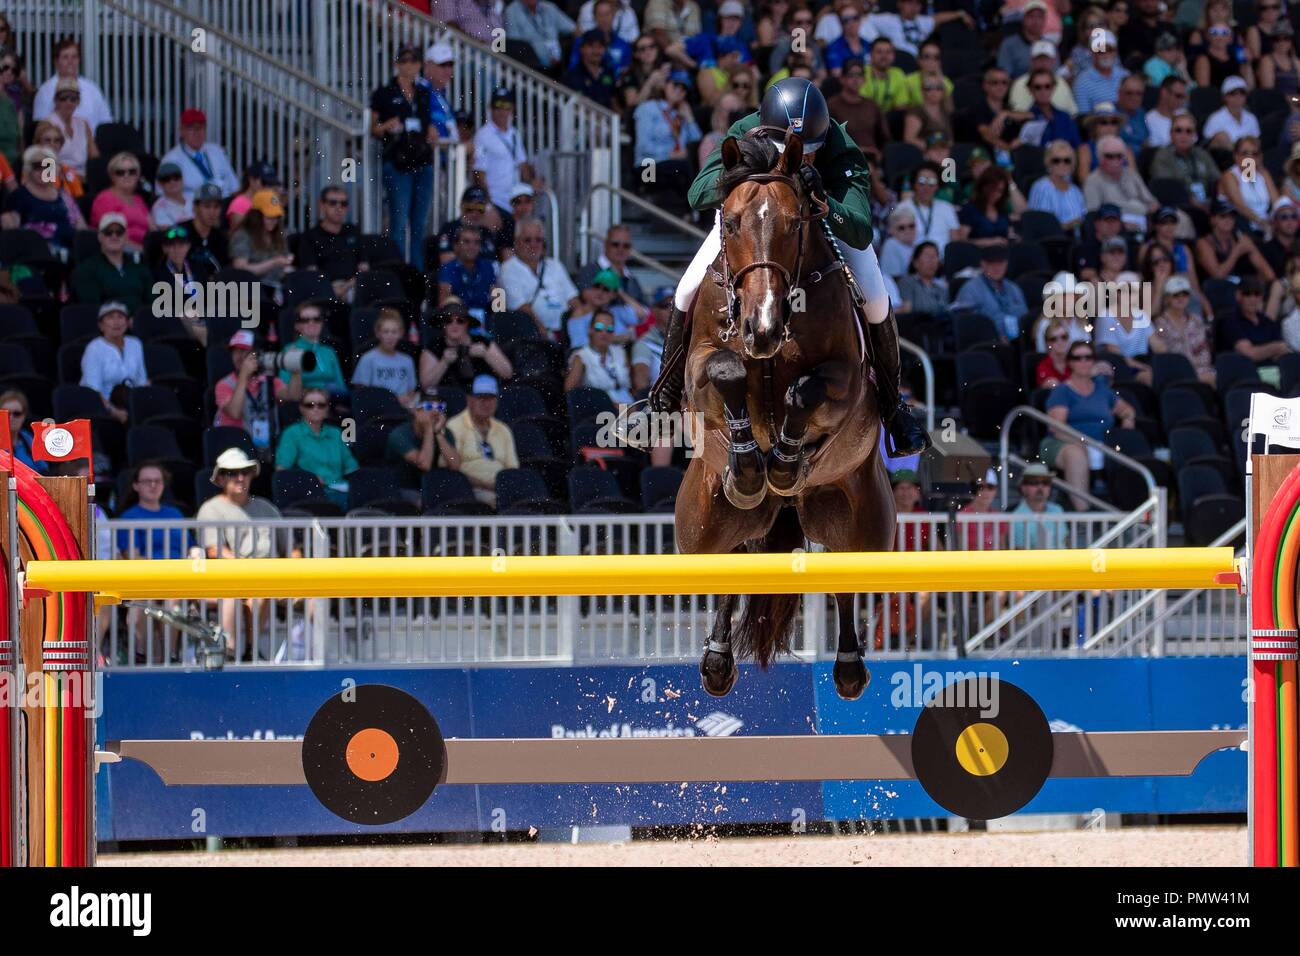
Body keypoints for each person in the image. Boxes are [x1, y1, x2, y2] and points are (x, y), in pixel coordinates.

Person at [647, 76, 930, 457]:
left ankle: (895, 410)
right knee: (685, 288)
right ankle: (661, 399)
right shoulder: (744, 131)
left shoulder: (840, 146)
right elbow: (698, 194)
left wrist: (825, 200)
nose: (799, 157)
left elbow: (861, 229)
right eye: (788, 149)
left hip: (820, 217)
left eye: (809, 151)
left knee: (876, 299)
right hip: (752, 220)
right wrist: (749, 180)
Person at [195, 447, 292, 661]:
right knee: (259, 594)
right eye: (232, 473)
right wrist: (250, 571)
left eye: (245, 472)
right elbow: (215, 551)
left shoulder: (266, 508)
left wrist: (295, 573)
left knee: (315, 596)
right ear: (220, 478)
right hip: (230, 578)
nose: (240, 478)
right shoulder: (210, 509)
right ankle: (243, 651)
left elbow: (291, 547)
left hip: (269, 577)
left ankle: (320, 660)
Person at [1042, 341, 1138, 510]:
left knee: (1128, 446)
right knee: (1076, 453)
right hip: (1062, 443)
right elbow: (1057, 428)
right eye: (1078, 358)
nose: (1084, 362)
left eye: (1088, 357)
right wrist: (1083, 441)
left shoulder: (1102, 390)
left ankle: (1127, 510)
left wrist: (1128, 419)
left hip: (1102, 442)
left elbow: (1126, 409)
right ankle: (1083, 514)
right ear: (1070, 362)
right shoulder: (1062, 391)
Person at [370, 46, 437, 267]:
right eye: (405, 60)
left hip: (422, 160)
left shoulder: (424, 93)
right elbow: (374, 128)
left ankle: (417, 275)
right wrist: (387, 126)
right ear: (396, 64)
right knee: (398, 223)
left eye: (414, 60)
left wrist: (432, 131)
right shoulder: (384, 92)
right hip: (398, 162)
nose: (410, 65)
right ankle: (397, 272)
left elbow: (429, 123)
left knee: (419, 224)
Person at [215, 331, 303, 450]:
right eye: (235, 351)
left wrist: (296, 371)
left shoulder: (269, 380)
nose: (239, 356)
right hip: (235, 446)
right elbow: (234, 412)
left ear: (257, 353)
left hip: (266, 444)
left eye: (244, 350)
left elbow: (293, 396)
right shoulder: (224, 384)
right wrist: (243, 377)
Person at [274, 387, 359, 509]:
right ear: (301, 408)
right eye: (310, 405)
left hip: (340, 489)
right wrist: (309, 480)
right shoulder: (292, 433)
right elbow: (281, 470)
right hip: (312, 494)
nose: (316, 409)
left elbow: (351, 467)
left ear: (327, 409)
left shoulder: (335, 433)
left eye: (321, 405)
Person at [497, 216, 579, 338]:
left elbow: (574, 300)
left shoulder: (555, 265)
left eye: (538, 240)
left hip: (565, 333)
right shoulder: (508, 269)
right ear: (516, 242)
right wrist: (542, 332)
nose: (533, 245)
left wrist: (575, 329)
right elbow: (521, 308)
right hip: (533, 336)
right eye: (528, 240)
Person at [446, 374, 520, 507]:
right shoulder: (454, 426)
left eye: (491, 398)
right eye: (481, 398)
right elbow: (451, 469)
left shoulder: (504, 430)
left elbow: (512, 469)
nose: (486, 403)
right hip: (470, 491)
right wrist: (485, 485)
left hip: (503, 491)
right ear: (470, 400)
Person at [632, 69, 701, 204]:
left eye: (683, 90)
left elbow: (696, 142)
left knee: (685, 169)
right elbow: (643, 146)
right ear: (665, 86)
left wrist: (689, 118)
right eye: (675, 86)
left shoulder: (679, 115)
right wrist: (669, 155)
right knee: (680, 170)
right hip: (648, 165)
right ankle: (691, 211)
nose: (679, 91)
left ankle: (689, 214)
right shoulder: (648, 108)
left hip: (674, 166)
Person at [473, 86, 542, 216]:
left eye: (506, 105)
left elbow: (523, 166)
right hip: (496, 203)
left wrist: (533, 183)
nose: (502, 110)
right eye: (498, 105)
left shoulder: (515, 134)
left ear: (512, 109)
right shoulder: (482, 135)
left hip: (515, 203)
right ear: (491, 108)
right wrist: (488, 205)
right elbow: (479, 173)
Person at [420, 298, 513, 390]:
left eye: (460, 320)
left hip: (483, 397)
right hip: (447, 399)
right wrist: (444, 362)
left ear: (467, 323)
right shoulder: (434, 347)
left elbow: (508, 373)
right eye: (448, 321)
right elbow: (425, 385)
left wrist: (486, 355)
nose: (454, 325)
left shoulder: (483, 342)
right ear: (443, 324)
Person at [79, 301, 147, 423]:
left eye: (120, 317)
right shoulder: (94, 349)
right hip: (103, 408)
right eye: (110, 317)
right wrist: (114, 411)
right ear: (101, 325)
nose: (116, 322)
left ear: (127, 323)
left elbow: (141, 382)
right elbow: (93, 391)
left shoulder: (135, 344)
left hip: (130, 403)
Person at [5, 145, 82, 252]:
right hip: (35, 253)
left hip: (69, 250)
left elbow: (81, 226)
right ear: (29, 169)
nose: (43, 171)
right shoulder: (18, 196)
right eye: (37, 166)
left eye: (48, 166)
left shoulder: (64, 195)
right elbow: (12, 233)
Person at [296, 185, 368, 300]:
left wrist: (346, 287)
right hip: (323, 291)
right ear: (322, 205)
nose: (339, 208)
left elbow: (364, 267)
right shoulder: (310, 237)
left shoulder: (353, 231)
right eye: (333, 203)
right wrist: (331, 289)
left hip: (353, 288)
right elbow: (311, 273)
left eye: (343, 204)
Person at [71, 213, 153, 311]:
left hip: (141, 323)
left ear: (126, 237)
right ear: (100, 236)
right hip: (109, 324)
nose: (114, 236)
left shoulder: (140, 268)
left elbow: (153, 304)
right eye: (108, 232)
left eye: (119, 232)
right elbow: (92, 309)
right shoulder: (86, 270)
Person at [158, 108, 240, 200]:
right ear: (181, 131)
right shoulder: (171, 160)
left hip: (223, 204)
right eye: (191, 128)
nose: (197, 133)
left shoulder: (217, 151)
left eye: (200, 128)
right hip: (190, 210)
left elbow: (235, 187)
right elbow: (163, 196)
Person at [951, 243, 1028, 342]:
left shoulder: (1014, 288)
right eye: (992, 263)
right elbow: (964, 326)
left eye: (1000, 263)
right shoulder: (971, 288)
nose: (996, 268)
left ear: (1006, 264)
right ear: (983, 264)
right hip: (986, 343)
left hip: (1018, 342)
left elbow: (1025, 318)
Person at [1149, 275, 1215, 386]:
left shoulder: (1196, 321)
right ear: (1167, 298)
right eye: (1175, 295)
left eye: (1185, 294)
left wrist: (1192, 363)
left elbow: (1205, 353)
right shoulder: (1160, 323)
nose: (1181, 298)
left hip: (1199, 369)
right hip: (1174, 372)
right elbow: (1163, 355)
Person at [32, 38, 111, 130]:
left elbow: (106, 122)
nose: (70, 61)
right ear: (56, 62)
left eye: (74, 57)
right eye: (65, 57)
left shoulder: (92, 89)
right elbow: (40, 127)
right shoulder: (45, 91)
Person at [1082, 134, 1158, 229]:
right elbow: (1093, 215)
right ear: (1100, 157)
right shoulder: (1093, 181)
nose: (1115, 160)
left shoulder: (1131, 174)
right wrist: (1121, 225)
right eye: (1110, 156)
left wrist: (1152, 212)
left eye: (1119, 156)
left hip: (1144, 221)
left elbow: (1151, 201)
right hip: (1117, 228)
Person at [387, 398, 462, 488]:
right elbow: (424, 465)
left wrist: (437, 433)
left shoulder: (444, 432)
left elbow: (455, 465)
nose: (435, 412)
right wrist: (429, 429)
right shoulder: (399, 434)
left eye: (439, 407)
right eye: (429, 407)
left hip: (429, 485)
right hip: (401, 486)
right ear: (416, 412)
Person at [565, 309, 634, 405]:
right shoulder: (581, 356)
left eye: (609, 329)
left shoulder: (620, 352)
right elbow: (569, 392)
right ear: (590, 329)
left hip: (628, 405)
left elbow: (631, 387)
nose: (604, 333)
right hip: (600, 410)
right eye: (599, 327)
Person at [1197, 199, 1276, 282]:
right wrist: (1236, 251)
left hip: (1242, 288)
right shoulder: (1204, 243)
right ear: (1212, 219)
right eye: (1223, 216)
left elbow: (1267, 272)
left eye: (1231, 216)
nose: (1228, 220)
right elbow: (1218, 276)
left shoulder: (1241, 239)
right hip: (1216, 290)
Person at [280, 301, 348, 397]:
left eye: (317, 319)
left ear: (322, 323)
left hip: (332, 402)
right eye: (305, 320)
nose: (311, 323)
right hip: (305, 402)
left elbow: (341, 387)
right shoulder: (289, 351)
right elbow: (284, 388)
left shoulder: (329, 351)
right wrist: (321, 387)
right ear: (297, 326)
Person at [1149, 114, 1217, 209]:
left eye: (1188, 131)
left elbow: (1217, 180)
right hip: (1178, 206)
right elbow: (1166, 188)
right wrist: (1191, 200)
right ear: (1171, 134)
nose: (1183, 135)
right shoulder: (1163, 156)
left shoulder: (1202, 154)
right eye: (1178, 130)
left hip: (1206, 204)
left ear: (1195, 135)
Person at [353, 308, 419, 405]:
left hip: (403, 409)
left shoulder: (407, 360)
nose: (390, 336)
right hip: (379, 408)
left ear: (400, 333)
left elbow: (411, 390)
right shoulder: (368, 359)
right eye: (386, 332)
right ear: (378, 333)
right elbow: (362, 392)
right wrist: (392, 400)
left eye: (394, 332)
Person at [897, 159, 963, 255]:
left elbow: (956, 242)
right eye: (921, 181)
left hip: (943, 264)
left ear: (937, 186)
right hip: (912, 262)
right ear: (914, 184)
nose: (926, 187)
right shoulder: (902, 208)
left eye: (932, 182)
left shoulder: (947, 208)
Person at [1094, 282, 1154, 385]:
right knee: (1148, 376)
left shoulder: (1141, 314)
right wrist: (1144, 367)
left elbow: (1157, 343)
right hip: (1117, 366)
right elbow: (1114, 353)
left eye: (1132, 291)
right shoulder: (1106, 315)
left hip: (1142, 362)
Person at [229, 189, 293, 287]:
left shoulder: (278, 235)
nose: (274, 221)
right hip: (252, 290)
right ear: (256, 216)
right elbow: (240, 270)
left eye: (276, 217)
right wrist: (273, 262)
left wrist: (287, 263)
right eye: (269, 217)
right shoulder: (242, 235)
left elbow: (284, 264)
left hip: (278, 286)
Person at [90, 152, 151, 251]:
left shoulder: (138, 199)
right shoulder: (105, 199)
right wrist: (142, 251)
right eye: (120, 172)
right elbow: (110, 235)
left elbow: (153, 229)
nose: (126, 175)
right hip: (121, 251)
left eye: (132, 171)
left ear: (138, 175)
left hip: (145, 249)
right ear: (112, 176)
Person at [828, 59, 888, 160]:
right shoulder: (832, 105)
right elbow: (828, 140)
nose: (856, 79)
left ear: (864, 79)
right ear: (842, 79)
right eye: (851, 75)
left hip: (872, 159)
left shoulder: (872, 105)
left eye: (859, 75)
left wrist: (881, 156)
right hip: (844, 159)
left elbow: (885, 138)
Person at [1223, 275, 1291, 363]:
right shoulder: (1231, 321)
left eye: (1257, 294)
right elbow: (1248, 354)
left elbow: (1282, 353)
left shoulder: (1267, 322)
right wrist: (1276, 347)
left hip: (1271, 371)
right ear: (1238, 295)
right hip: (1244, 373)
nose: (1253, 299)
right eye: (1247, 294)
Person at [432, 184, 503, 267]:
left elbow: (493, 265)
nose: (475, 213)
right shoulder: (449, 228)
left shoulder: (487, 233)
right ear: (462, 207)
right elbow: (446, 261)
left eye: (480, 208)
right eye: (470, 208)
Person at [1219, 137, 1279, 233]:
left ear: (1260, 157)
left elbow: (1277, 203)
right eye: (1245, 153)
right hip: (1242, 226)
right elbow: (1240, 206)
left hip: (1267, 224)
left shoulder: (1263, 173)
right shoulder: (1230, 176)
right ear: (1236, 156)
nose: (1250, 157)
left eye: (1255, 154)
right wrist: (1263, 223)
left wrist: (1277, 221)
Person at [1028, 139, 1087, 232]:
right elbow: (1040, 225)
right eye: (1056, 160)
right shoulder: (1041, 187)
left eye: (1066, 161)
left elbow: (1083, 218)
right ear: (1048, 162)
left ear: (1072, 164)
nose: (1061, 164)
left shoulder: (1075, 191)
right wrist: (1067, 226)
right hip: (1049, 241)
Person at [437, 225, 498, 314]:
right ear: (456, 246)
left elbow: (498, 301)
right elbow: (444, 303)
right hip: (459, 319)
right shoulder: (448, 268)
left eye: (476, 242)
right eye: (466, 242)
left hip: (484, 320)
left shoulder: (487, 266)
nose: (472, 247)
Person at [1009, 41, 1078, 114]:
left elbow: (1073, 113)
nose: (1043, 62)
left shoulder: (1061, 82)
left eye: (1046, 59)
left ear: (1053, 61)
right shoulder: (1019, 84)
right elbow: (1015, 114)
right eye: (1039, 59)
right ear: (1032, 61)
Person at [506, 0, 577, 71]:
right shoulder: (512, 11)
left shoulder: (549, 8)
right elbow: (516, 46)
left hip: (558, 66)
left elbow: (574, 29)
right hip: (530, 67)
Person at [46, 77, 96, 176]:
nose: (68, 102)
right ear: (56, 101)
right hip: (59, 179)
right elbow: (45, 159)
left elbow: (94, 156)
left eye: (73, 99)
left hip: (84, 179)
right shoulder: (48, 123)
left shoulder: (83, 123)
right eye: (63, 98)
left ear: (78, 102)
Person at [1009, 463, 1065, 549]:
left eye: (1045, 482)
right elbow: (1020, 556)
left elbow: (1066, 541)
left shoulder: (1058, 509)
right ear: (1023, 488)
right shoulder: (1016, 517)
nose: (1040, 487)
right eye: (1034, 483)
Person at [959, 166, 1021, 244]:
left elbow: (1009, 232)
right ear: (983, 187)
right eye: (993, 189)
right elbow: (962, 241)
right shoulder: (969, 209)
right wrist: (988, 242)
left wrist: (1014, 238)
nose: (996, 194)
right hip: (979, 253)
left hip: (1002, 252)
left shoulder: (1001, 210)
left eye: (1000, 191)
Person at [1073, 30, 1128, 114]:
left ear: (1116, 52)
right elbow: (1083, 117)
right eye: (1100, 51)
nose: (1105, 54)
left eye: (1109, 50)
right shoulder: (1082, 81)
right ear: (1092, 53)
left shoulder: (1125, 75)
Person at [1203, 76, 1260, 151]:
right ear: (1224, 97)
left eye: (1242, 93)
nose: (1238, 97)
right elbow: (1208, 145)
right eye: (1233, 93)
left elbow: (1256, 143)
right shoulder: (1215, 118)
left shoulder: (1251, 118)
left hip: (1248, 160)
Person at [182, 183, 229, 272]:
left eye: (216, 207)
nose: (212, 212)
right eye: (207, 206)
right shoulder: (182, 232)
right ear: (195, 207)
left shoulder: (221, 238)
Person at [566, 30, 619, 107]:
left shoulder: (609, 72)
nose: (596, 51)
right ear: (582, 49)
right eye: (591, 46)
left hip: (607, 117)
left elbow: (614, 101)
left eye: (600, 46)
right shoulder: (573, 75)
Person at [895, 241, 949, 316]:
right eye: (927, 256)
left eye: (934, 256)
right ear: (915, 262)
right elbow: (906, 312)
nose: (932, 261)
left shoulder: (941, 289)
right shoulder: (907, 283)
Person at [999, 0, 1050, 78]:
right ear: (1023, 19)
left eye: (1040, 17)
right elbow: (1004, 76)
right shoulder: (1009, 44)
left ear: (1044, 20)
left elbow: (1055, 75)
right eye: (1031, 16)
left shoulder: (1050, 45)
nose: (1036, 21)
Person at [1194, 23, 1254, 90]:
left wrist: (1248, 64)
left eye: (1225, 33)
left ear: (1231, 37)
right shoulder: (1203, 59)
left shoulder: (1235, 57)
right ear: (1208, 36)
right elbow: (1204, 91)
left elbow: (1249, 87)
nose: (1220, 37)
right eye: (1214, 32)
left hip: (1238, 97)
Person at [224, 161, 279, 232]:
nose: (267, 187)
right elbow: (238, 234)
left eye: (271, 183)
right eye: (264, 182)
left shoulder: (270, 201)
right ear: (252, 180)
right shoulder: (239, 203)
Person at [901, 75, 953, 150]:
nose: (934, 91)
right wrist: (932, 148)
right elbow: (909, 139)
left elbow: (950, 140)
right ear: (922, 91)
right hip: (922, 154)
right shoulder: (915, 112)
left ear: (943, 92)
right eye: (929, 88)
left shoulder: (945, 112)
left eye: (938, 88)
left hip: (944, 154)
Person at [420, 42, 458, 142]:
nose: (447, 70)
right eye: (442, 65)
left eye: (450, 65)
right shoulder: (419, 92)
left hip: (446, 155)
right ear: (427, 65)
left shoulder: (442, 94)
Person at [0, 390, 46, 473]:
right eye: (7, 413)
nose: (11, 418)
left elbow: (44, 471)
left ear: (24, 416)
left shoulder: (28, 439)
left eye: (17, 414)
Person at [861, 37, 908, 114]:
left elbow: (901, 106)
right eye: (879, 52)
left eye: (888, 52)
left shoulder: (898, 74)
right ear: (871, 54)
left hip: (889, 119)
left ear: (893, 55)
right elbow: (861, 104)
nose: (884, 56)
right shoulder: (862, 72)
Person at [430, 0, 505, 44]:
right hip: (461, 50)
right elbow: (448, 27)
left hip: (493, 56)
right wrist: (477, 43)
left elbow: (499, 38)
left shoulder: (493, 3)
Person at [1144, 75, 1187, 148]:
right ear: (1164, 93)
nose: (1182, 101)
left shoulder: (1184, 114)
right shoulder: (1149, 119)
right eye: (1178, 96)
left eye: (1184, 97)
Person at [1262, 197, 1300, 278]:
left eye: (1293, 216)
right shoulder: (1267, 249)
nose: (1290, 221)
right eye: (1284, 217)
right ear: (1275, 222)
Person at [879, 206, 918, 278]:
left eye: (911, 226)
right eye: (901, 228)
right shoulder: (891, 245)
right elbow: (895, 279)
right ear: (891, 230)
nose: (908, 230)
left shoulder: (916, 245)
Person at [150, 161, 191, 228]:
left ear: (182, 179)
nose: (172, 182)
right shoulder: (159, 208)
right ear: (160, 184)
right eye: (166, 179)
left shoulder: (193, 199)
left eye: (176, 177)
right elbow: (168, 233)